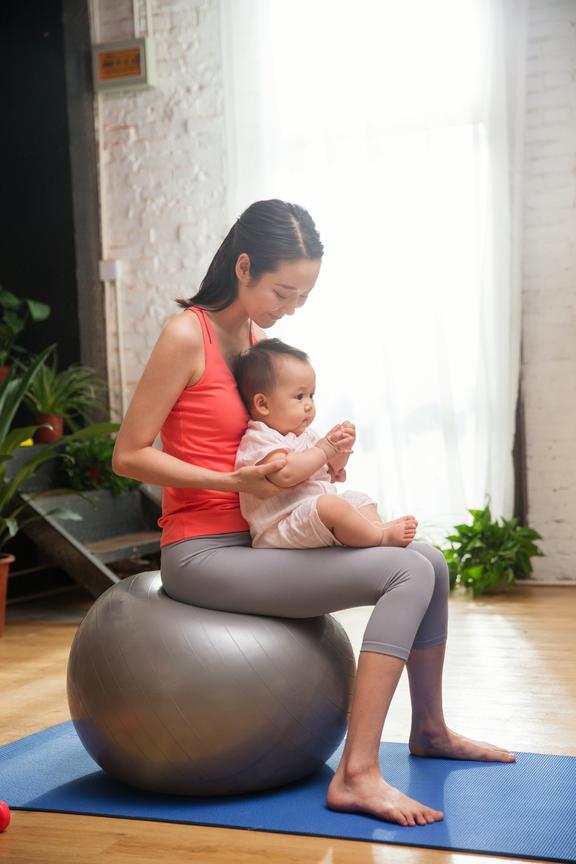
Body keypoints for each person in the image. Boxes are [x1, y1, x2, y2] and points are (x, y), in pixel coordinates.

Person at [112, 198, 516, 828]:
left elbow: (277, 452)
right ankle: (357, 774)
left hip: (259, 539)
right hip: (203, 553)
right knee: (404, 573)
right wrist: (232, 479)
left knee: (428, 560)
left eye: (302, 296)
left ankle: (430, 729)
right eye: (283, 291)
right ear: (243, 267)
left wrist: (325, 458)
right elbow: (128, 455)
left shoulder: (256, 340)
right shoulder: (185, 335)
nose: (290, 308)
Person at [233, 337, 418, 549]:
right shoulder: (259, 437)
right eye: (299, 396)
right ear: (263, 404)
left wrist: (341, 449)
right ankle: (380, 538)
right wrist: (325, 448)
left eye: (312, 395)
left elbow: (330, 471)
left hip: (311, 515)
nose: (309, 405)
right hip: (280, 527)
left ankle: (375, 527)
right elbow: (284, 475)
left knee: (358, 499)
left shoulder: (305, 435)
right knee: (331, 505)